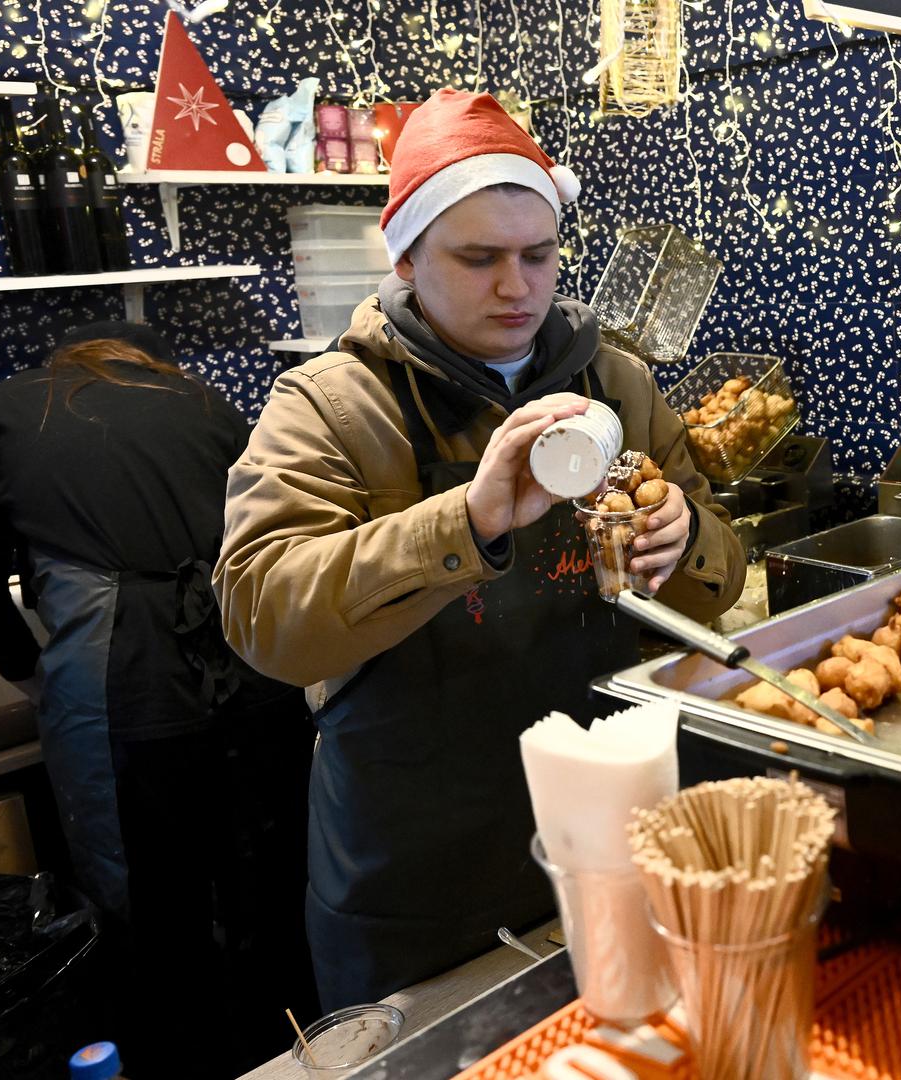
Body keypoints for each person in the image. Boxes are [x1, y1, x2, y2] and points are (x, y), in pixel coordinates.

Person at [215, 89, 746, 1008]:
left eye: (538, 256)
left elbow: (715, 576)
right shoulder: (331, 406)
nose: (517, 287)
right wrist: (463, 523)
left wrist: (686, 541)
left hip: (610, 821)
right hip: (421, 873)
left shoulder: (615, 379)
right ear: (410, 259)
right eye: (478, 258)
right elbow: (264, 617)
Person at [0, 322, 319, 1078]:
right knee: (268, 879)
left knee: (145, 900)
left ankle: (179, 1061)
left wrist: (31, 671)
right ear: (144, 361)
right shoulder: (207, 401)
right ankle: (293, 1052)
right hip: (252, 666)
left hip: (117, 686)